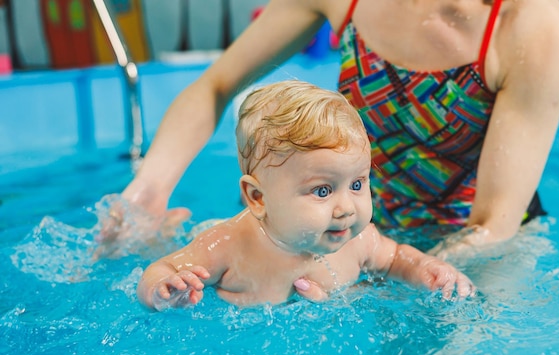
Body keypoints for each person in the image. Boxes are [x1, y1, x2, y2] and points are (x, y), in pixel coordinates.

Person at [112, 0, 559, 258]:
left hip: (475, 249)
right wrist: (147, 193)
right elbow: (215, 85)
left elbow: (493, 226)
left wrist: (397, 272)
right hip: (342, 223)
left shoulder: (532, 28)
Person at [136, 81, 475, 310]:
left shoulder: (356, 241)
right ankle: (164, 229)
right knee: (168, 243)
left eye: (357, 184)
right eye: (323, 190)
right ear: (258, 197)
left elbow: (397, 258)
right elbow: (159, 270)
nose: (346, 208)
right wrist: (163, 288)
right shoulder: (227, 245)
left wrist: (429, 270)